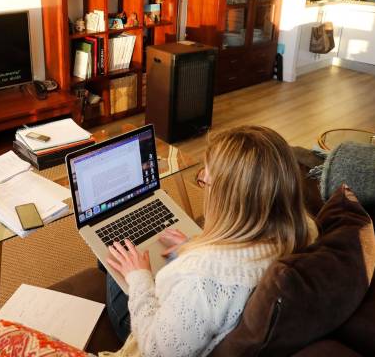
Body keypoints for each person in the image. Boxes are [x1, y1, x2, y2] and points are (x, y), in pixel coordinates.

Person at [102, 126, 318, 357]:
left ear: (228, 200)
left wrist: (139, 277)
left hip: (152, 333)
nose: (202, 183)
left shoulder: (204, 281)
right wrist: (194, 245)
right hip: (193, 308)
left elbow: (157, 349)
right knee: (129, 256)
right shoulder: (302, 232)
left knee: (113, 258)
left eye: (205, 180)